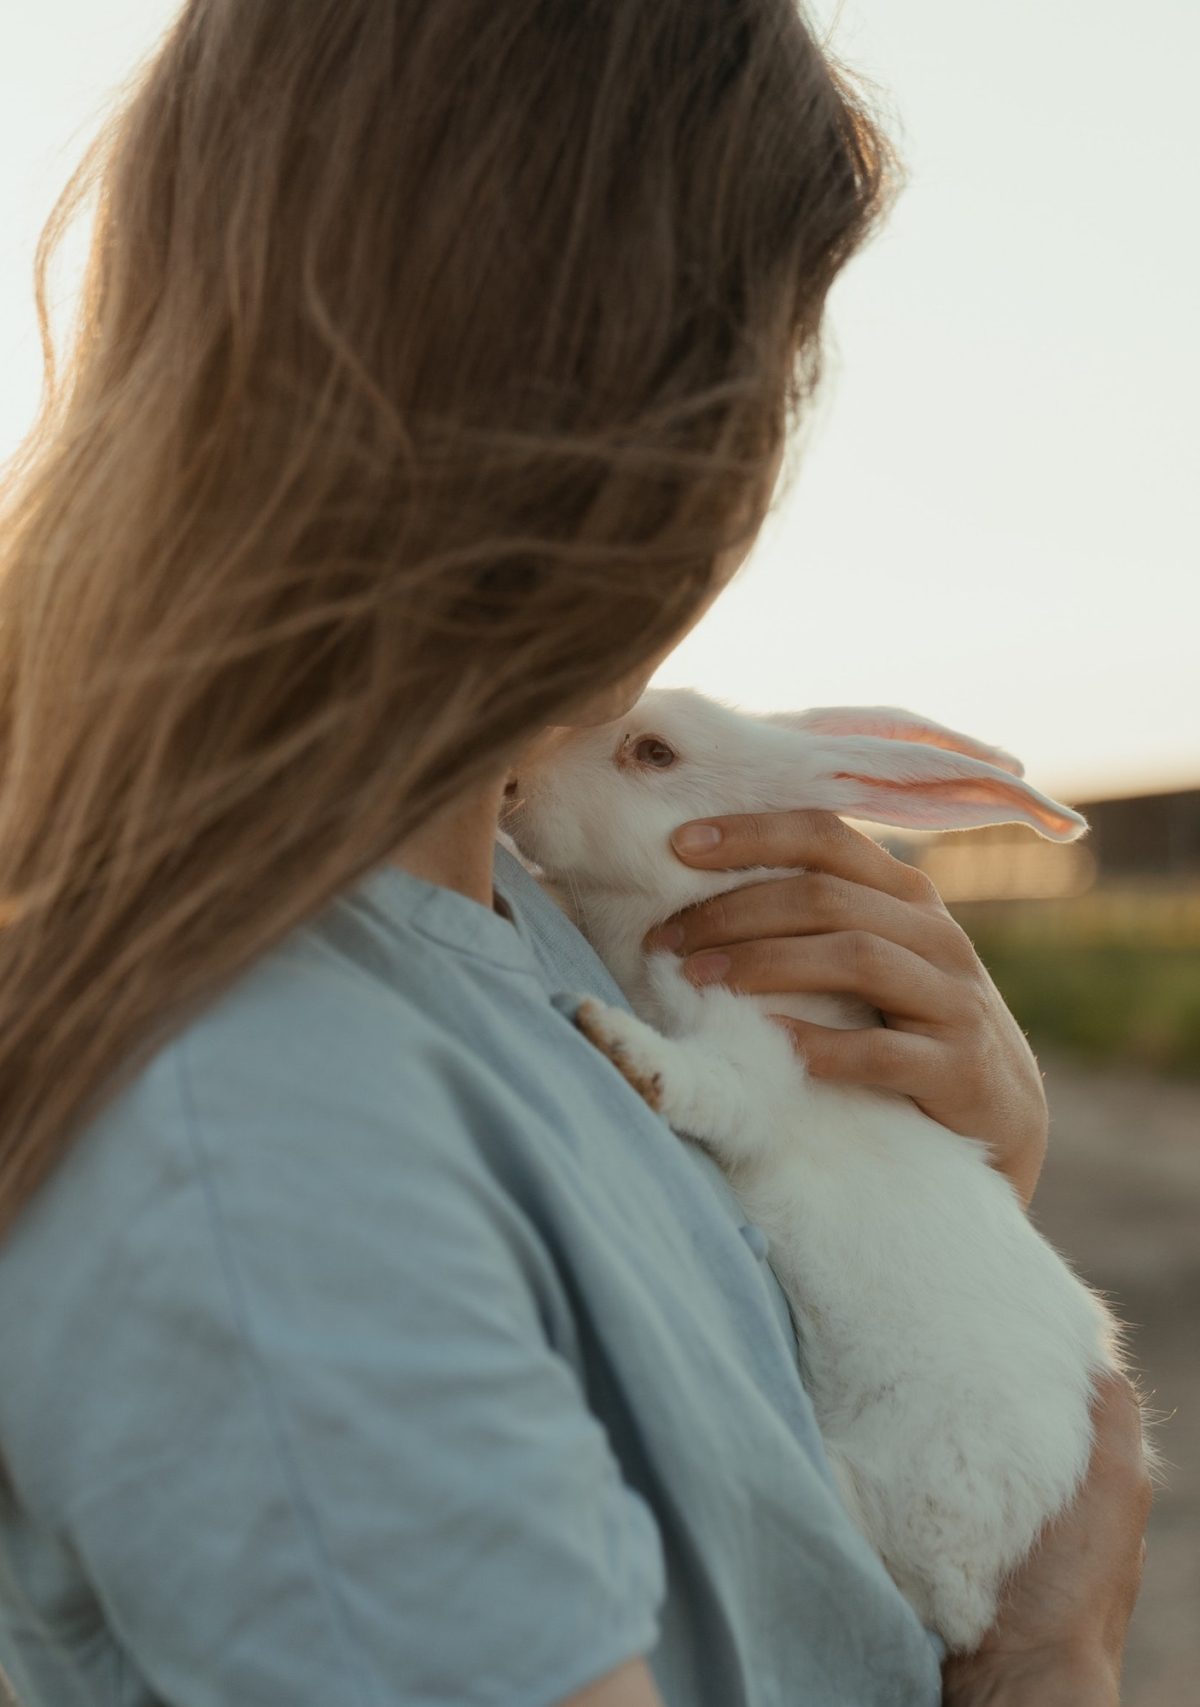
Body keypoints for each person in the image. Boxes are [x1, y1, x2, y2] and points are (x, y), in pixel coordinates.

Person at [0, 3, 1150, 1704]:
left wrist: (934, 1213)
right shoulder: (257, 1134)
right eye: (767, 363)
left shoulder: (522, 930)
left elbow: (732, 1511)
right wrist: (1052, 1656)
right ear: (634, 408)